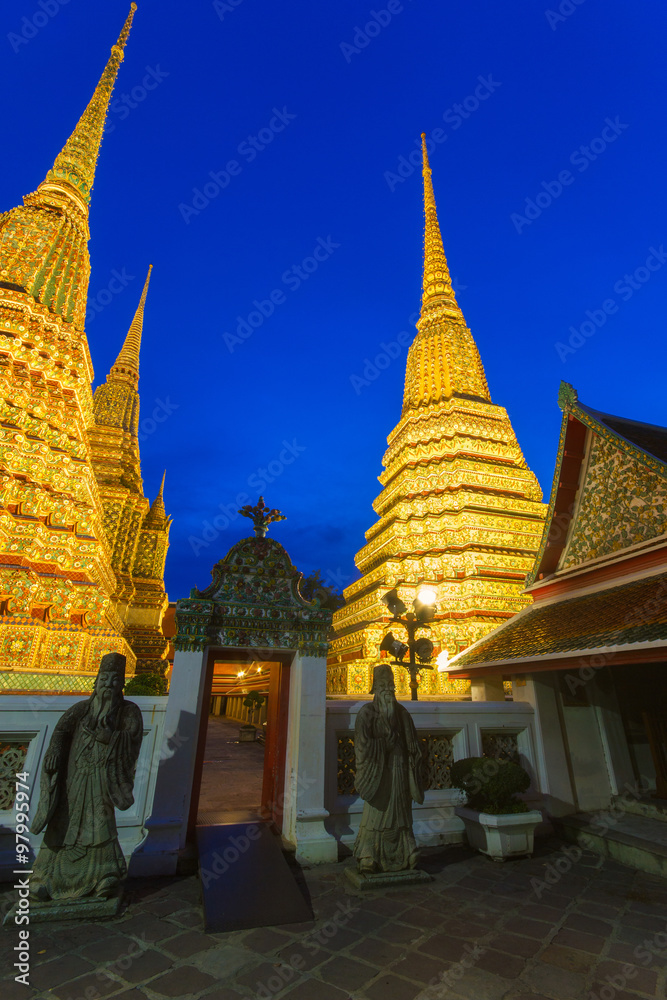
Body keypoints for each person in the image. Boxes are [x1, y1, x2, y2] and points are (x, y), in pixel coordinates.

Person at [30, 652, 143, 901]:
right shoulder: (81, 710)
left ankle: (104, 877)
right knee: (63, 820)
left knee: (100, 824)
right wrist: (55, 752)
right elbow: (61, 731)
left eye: (114, 679)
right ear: (95, 681)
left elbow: (132, 737)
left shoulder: (128, 711)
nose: (108, 684)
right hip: (75, 776)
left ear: (121, 684)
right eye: (104, 678)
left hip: (103, 779)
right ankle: (44, 878)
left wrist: (110, 738)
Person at [353, 663, 424, 873]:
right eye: (383, 685)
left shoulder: (402, 713)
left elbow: (415, 747)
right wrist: (383, 745)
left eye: (391, 685)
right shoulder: (366, 713)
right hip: (377, 772)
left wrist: (411, 751)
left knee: (401, 810)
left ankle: (408, 848)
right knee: (376, 812)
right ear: (374, 687)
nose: (388, 689)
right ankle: (369, 852)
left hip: (400, 769)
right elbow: (362, 745)